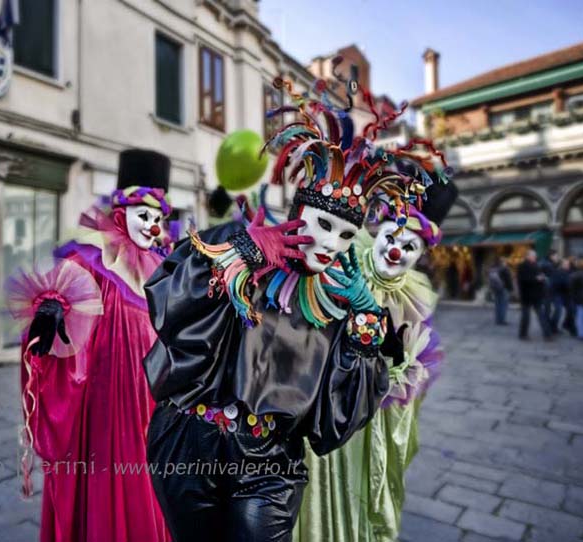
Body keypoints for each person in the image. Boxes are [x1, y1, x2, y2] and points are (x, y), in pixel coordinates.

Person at [142, 78, 404, 542]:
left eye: (345, 235)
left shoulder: (336, 298)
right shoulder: (237, 245)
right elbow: (172, 302)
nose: (330, 243)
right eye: (323, 224)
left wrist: (367, 321)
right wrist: (244, 251)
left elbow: (337, 414)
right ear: (298, 212)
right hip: (187, 442)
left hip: (269, 462)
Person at [7, 149, 173, 542]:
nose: (151, 225)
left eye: (158, 217)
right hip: (108, 404)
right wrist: (52, 307)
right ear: (120, 212)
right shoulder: (93, 258)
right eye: (143, 214)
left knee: (152, 480)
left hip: (154, 401)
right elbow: (64, 287)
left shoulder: (164, 266)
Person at [294, 147, 457, 542]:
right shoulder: (342, 263)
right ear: (378, 231)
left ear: (421, 255)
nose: (397, 250)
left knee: (361, 502)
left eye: (411, 246)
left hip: (372, 422)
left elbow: (409, 366)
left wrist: (389, 362)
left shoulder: (417, 296)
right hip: (324, 413)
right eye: (392, 236)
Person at [517, 249, 552, 341]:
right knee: (526, 316)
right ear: (528, 256)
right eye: (533, 256)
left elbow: (539, 276)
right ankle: (523, 334)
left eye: (535, 256)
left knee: (541, 315)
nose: (535, 257)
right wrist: (537, 279)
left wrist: (542, 278)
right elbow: (523, 280)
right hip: (527, 295)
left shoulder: (536, 265)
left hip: (537, 295)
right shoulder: (522, 266)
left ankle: (547, 334)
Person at [488, 257, 514, 325]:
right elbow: (509, 280)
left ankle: (497, 319)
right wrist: (511, 289)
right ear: (503, 262)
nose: (506, 263)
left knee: (497, 305)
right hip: (504, 288)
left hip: (496, 288)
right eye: (505, 261)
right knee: (503, 305)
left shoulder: (493, 268)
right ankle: (502, 320)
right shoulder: (505, 269)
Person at [549, 257, 570, 333]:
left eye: (568, 264)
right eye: (566, 264)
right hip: (557, 294)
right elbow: (557, 283)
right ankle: (552, 326)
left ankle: (556, 325)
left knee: (564, 310)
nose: (568, 265)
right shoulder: (559, 272)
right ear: (562, 265)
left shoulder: (565, 272)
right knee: (559, 310)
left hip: (561, 294)